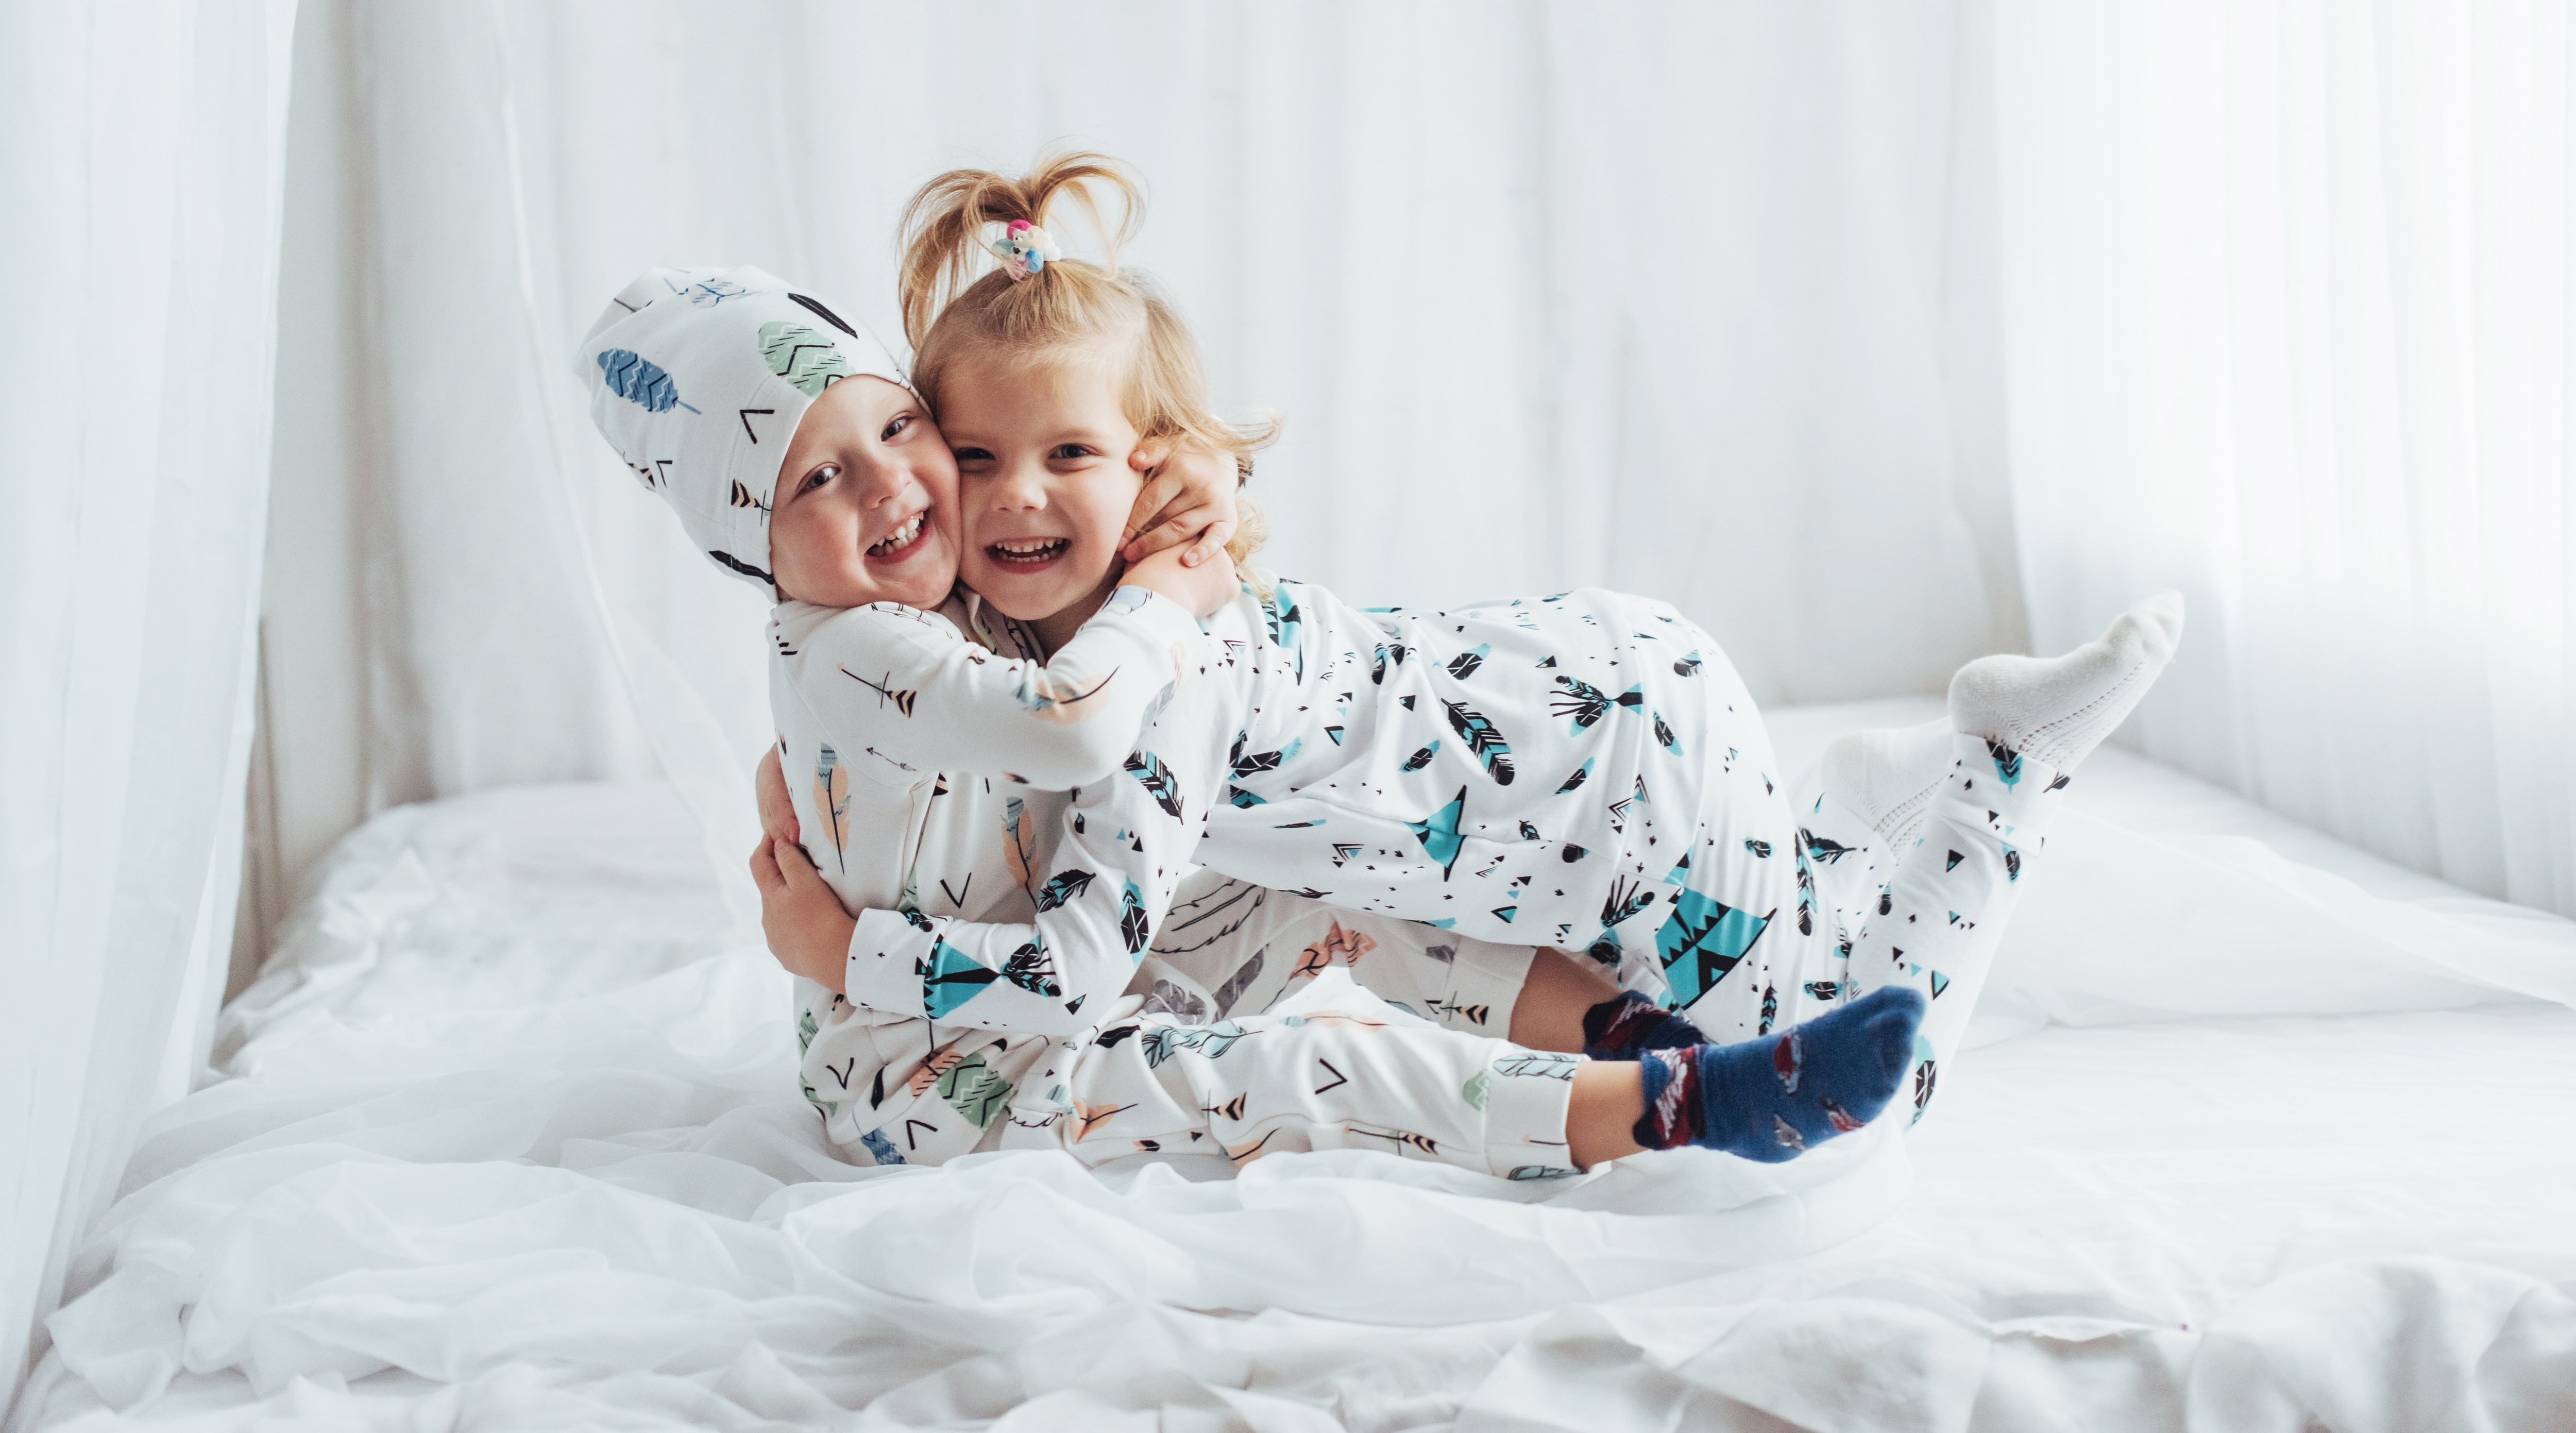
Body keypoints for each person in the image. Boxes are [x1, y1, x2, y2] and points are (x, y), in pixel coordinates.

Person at [746, 150, 2185, 1168]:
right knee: (1703, 993)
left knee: (1878, 1094)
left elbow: (1081, 958)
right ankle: (1841, 820)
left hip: (1619, 780)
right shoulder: (1043, 620)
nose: (1011, 498)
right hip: (1575, 708)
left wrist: (845, 955)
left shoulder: (1154, 676)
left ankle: (2003, 768)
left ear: (1159, 467)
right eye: (977, 455)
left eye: (1068, 454)